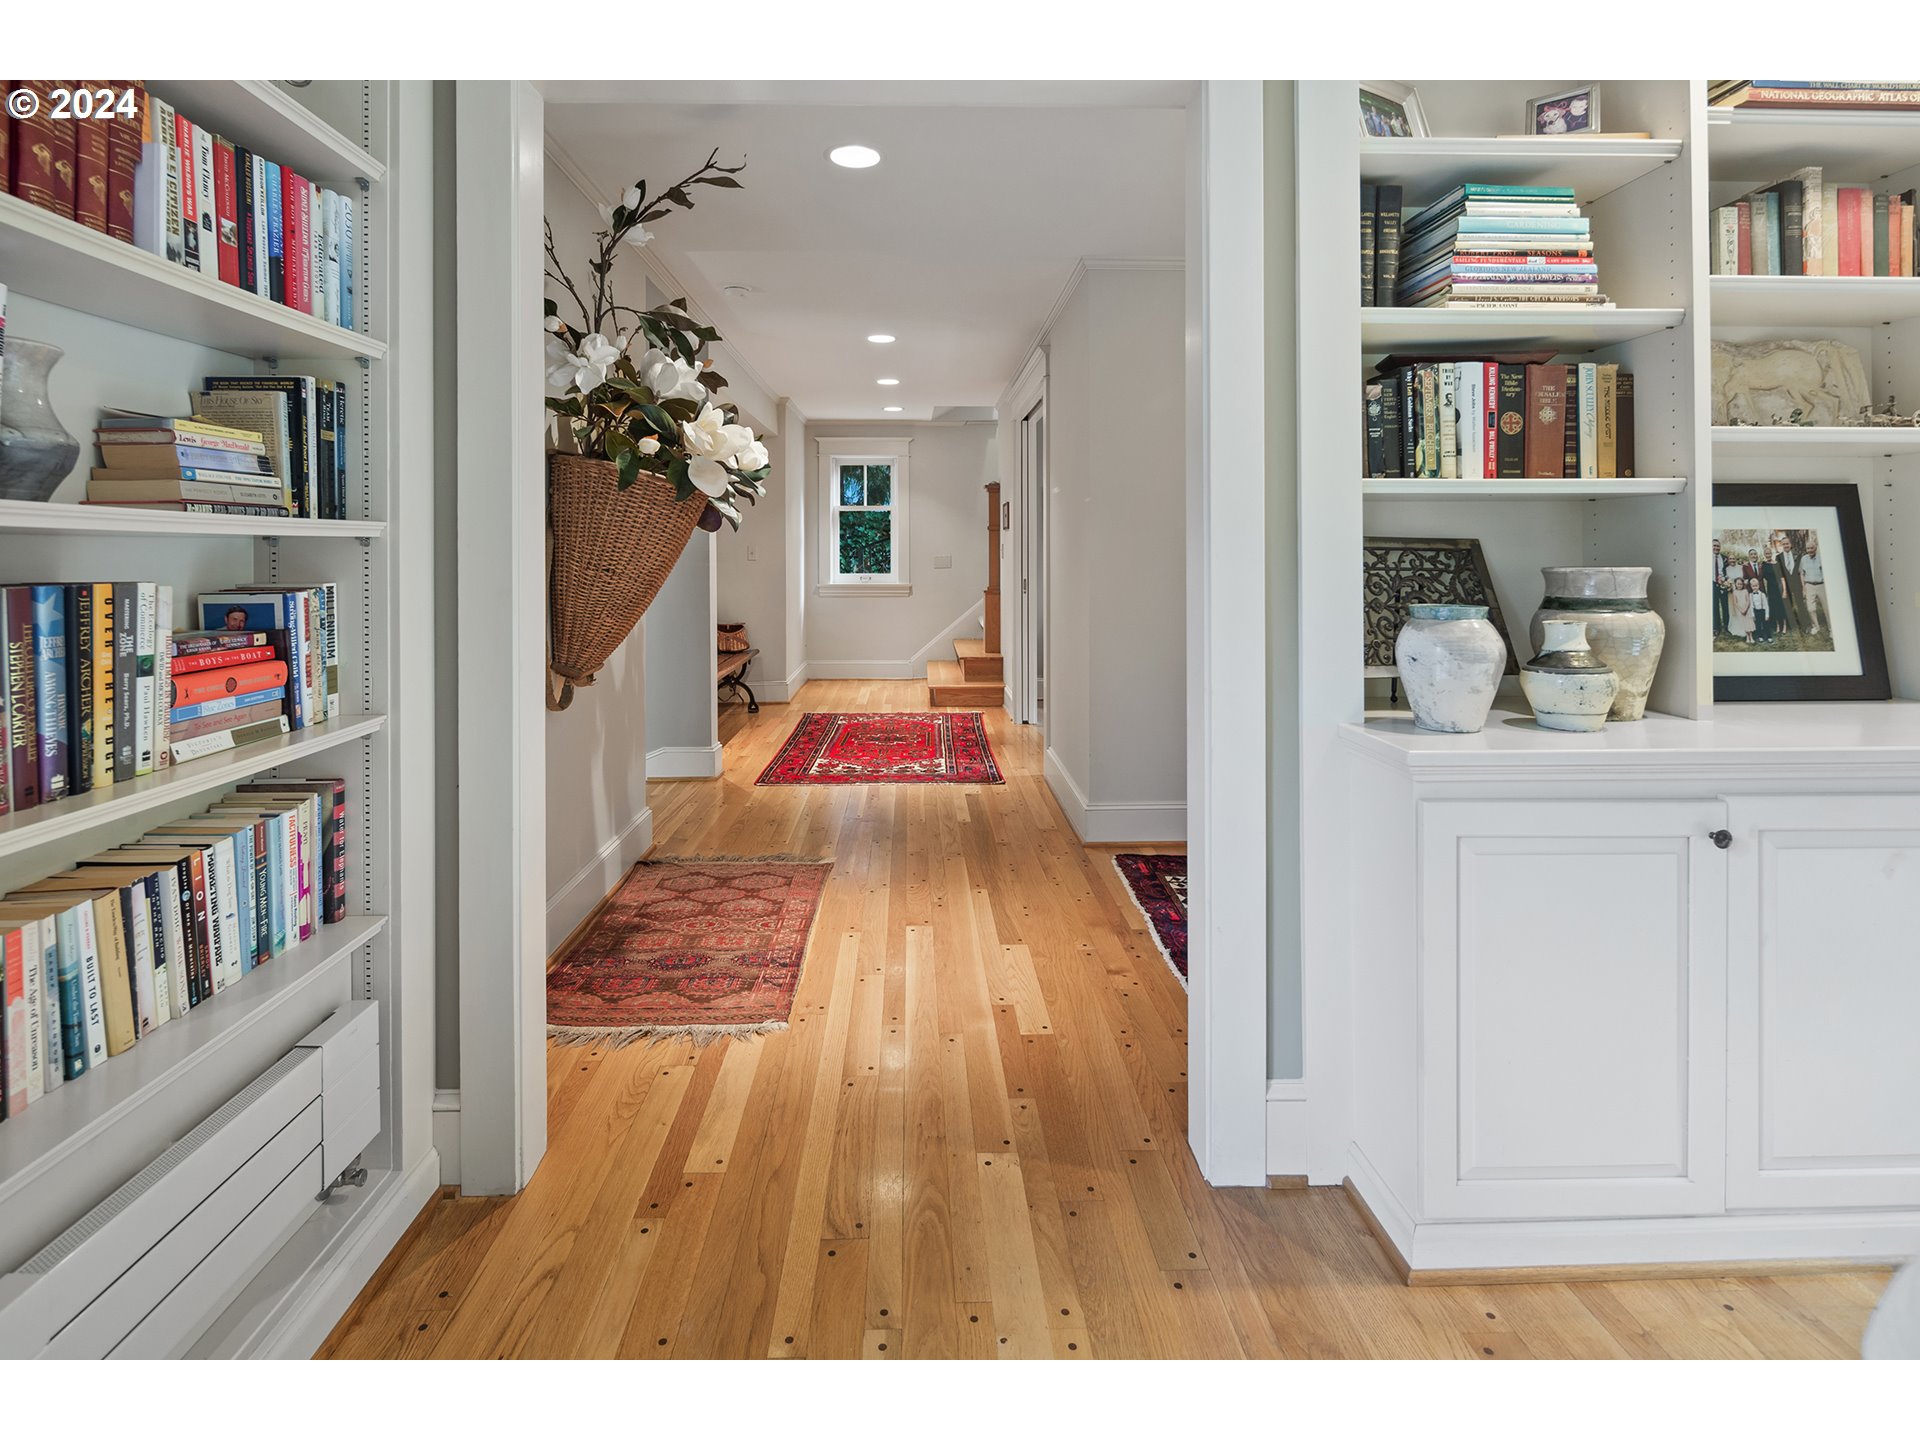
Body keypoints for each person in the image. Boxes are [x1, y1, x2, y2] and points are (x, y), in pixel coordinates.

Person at [1801, 535, 1830, 637]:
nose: (1809, 550)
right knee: (1810, 608)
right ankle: (1816, 627)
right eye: (1808, 548)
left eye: (1811, 548)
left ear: (1816, 547)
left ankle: (1831, 629)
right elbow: (1802, 573)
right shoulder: (1804, 559)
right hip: (1809, 585)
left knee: (1827, 608)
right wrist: (1804, 588)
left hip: (1821, 585)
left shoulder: (1821, 558)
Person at [1712, 539, 1731, 636]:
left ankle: (1727, 626)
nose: (1716, 548)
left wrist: (1725, 581)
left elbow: (1728, 569)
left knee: (1725, 606)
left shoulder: (1724, 558)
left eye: (1718, 546)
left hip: (1723, 584)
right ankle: (1716, 628)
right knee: (1714, 606)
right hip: (1712, 584)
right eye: (1714, 546)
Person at [1728, 576, 1755, 642]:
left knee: (1749, 622)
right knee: (1744, 623)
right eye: (1738, 584)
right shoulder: (1735, 592)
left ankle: (1751, 636)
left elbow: (1748, 601)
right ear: (1735, 584)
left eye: (1741, 584)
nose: (1739, 586)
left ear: (1743, 584)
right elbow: (1735, 602)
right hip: (1740, 610)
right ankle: (1747, 637)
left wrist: (1745, 609)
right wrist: (1741, 610)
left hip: (1746, 609)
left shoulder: (1745, 591)